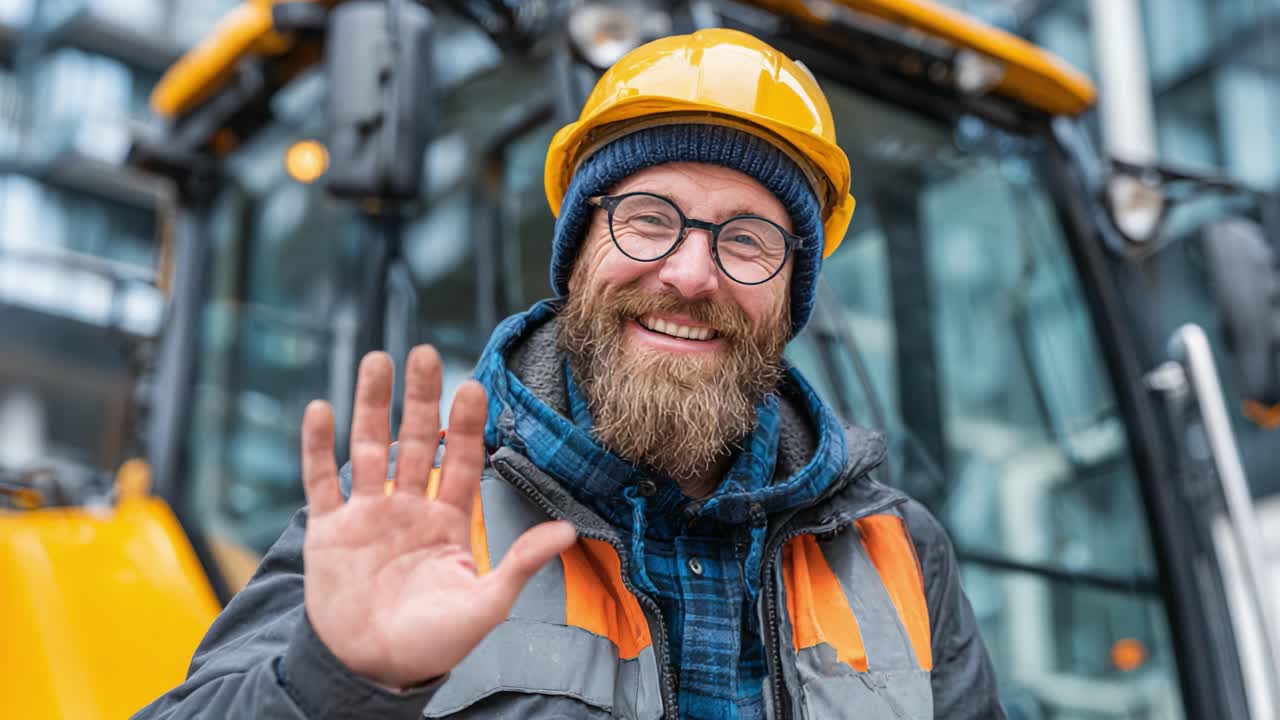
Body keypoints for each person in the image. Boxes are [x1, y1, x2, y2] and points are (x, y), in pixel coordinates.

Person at [137, 28, 1003, 720]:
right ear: (576, 254)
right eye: (647, 218)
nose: (691, 276)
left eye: (747, 240)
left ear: (792, 292)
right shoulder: (412, 520)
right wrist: (331, 686)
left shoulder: (900, 551)